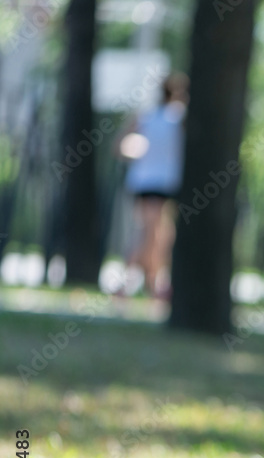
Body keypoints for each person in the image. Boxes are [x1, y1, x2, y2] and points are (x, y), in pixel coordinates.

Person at [117, 72, 188, 299]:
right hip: (163, 182)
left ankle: (152, 283)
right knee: (153, 234)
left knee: (160, 233)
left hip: (143, 181)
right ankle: (130, 284)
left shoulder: (146, 116)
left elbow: (120, 146)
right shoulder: (179, 118)